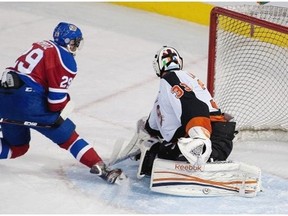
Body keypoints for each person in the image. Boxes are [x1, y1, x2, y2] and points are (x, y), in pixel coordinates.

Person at [0, 22, 125, 184]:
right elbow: (55, 102)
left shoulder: (41, 45)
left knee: (17, 147)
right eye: (75, 42)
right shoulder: (65, 59)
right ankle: (101, 168)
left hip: (4, 98)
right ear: (69, 42)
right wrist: (65, 102)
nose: (76, 46)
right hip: (29, 103)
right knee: (69, 137)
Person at [136, 46, 237, 177]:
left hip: (209, 138)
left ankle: (202, 152)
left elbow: (194, 105)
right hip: (212, 139)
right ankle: (200, 154)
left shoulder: (172, 79)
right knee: (161, 152)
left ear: (157, 67)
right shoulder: (165, 92)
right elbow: (151, 127)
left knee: (169, 153)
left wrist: (199, 137)